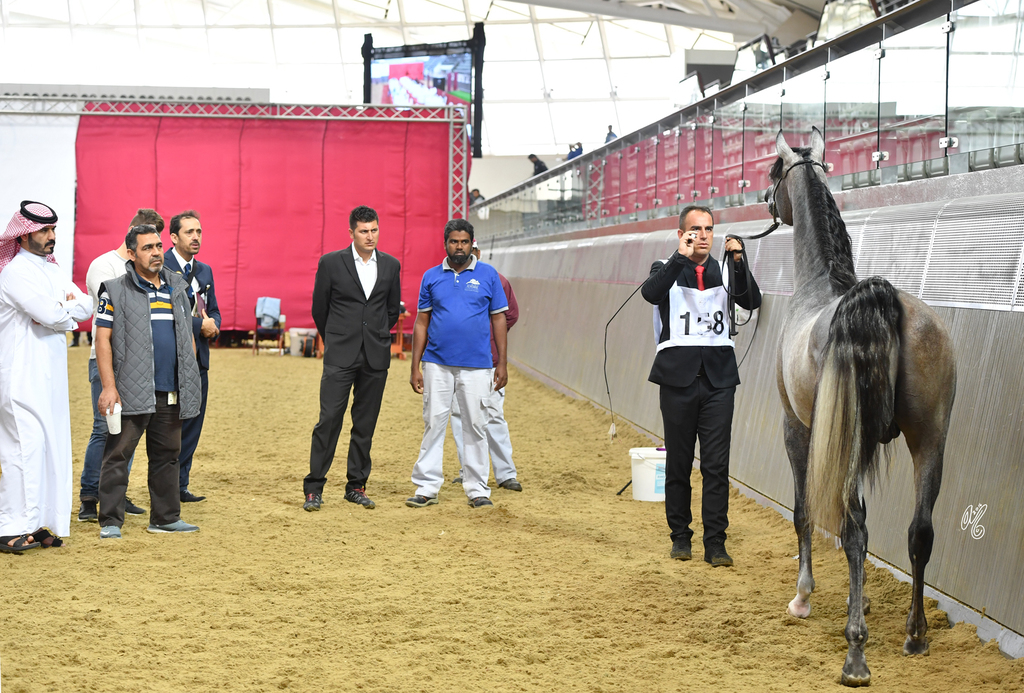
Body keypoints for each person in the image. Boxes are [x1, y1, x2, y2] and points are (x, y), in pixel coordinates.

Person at [641, 205, 761, 567]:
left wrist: (739, 261)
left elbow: (750, 301)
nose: (703, 235)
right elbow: (651, 293)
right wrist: (680, 258)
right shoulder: (664, 267)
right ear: (681, 235)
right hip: (677, 379)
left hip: (719, 380)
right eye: (695, 229)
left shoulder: (725, 268)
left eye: (708, 228)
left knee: (716, 464)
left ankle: (716, 542)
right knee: (679, 463)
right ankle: (680, 537)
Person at [95, 224, 203, 538]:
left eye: (157, 246)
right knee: (117, 456)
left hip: (171, 390)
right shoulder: (114, 289)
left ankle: (165, 518)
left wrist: (189, 378)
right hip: (129, 391)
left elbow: (187, 337)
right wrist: (109, 386)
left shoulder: (179, 287)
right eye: (147, 248)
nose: (156, 253)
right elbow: (103, 340)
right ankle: (111, 522)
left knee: (168, 455)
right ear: (131, 254)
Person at [0, 201, 92, 552]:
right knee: (22, 450)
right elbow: (50, 313)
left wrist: (60, 311)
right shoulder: (14, 273)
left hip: (50, 379)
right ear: (23, 235)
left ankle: (39, 524)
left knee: (48, 449)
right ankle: (9, 527)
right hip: (20, 376)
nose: (52, 237)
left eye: (53, 230)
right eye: (44, 231)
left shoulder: (52, 271)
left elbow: (83, 307)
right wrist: (61, 312)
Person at [304, 205, 401, 512]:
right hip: (340, 354)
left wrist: (377, 336)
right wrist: (334, 338)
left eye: (374, 230)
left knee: (365, 423)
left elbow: (391, 311)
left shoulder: (391, 265)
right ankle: (314, 488)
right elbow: (320, 308)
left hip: (376, 355)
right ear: (351, 233)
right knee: (329, 420)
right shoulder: (331, 263)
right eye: (363, 231)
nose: (370, 236)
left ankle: (356, 486)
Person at [407, 219, 508, 509]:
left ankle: (477, 489)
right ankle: (426, 487)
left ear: (472, 243)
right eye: (454, 241)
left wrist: (501, 362)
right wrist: (415, 366)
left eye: (464, 241)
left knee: (476, 425)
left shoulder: (489, 276)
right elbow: (421, 322)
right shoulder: (431, 277)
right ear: (445, 244)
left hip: (478, 365)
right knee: (434, 423)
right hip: (436, 363)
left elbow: (499, 317)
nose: (459, 246)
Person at [78, 208, 163, 522]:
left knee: (127, 431)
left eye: (156, 242)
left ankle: (115, 493)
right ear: (131, 234)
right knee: (103, 429)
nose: (153, 249)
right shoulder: (104, 266)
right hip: (106, 362)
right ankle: (89, 496)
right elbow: (115, 318)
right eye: (146, 240)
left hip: (138, 363)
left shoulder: (145, 271)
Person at [450, 240, 521, 492]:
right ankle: (468, 470)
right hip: (458, 361)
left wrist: (489, 334)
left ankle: (505, 473)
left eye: (471, 248)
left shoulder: (496, 280)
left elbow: (510, 314)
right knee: (461, 417)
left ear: (476, 252)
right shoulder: (449, 278)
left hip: (487, 360)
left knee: (492, 415)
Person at [163, 209, 221, 503]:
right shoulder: (161, 267)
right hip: (170, 361)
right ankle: (165, 486)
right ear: (173, 237)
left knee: (194, 424)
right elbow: (164, 316)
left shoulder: (205, 270)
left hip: (200, 360)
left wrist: (214, 325)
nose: (196, 237)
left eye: (199, 231)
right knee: (171, 425)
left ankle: (180, 485)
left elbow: (214, 310)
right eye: (189, 232)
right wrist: (202, 325)